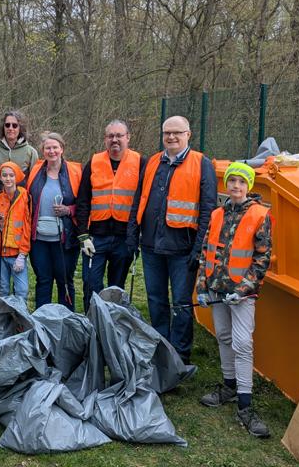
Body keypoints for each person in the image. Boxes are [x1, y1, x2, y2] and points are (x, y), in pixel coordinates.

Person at [127, 115, 217, 364]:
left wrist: (198, 248)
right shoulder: (154, 161)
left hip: (183, 248)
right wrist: (133, 233)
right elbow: (139, 198)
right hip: (151, 246)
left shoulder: (201, 163)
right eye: (167, 132)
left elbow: (208, 210)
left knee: (181, 303)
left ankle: (180, 355)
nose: (171, 137)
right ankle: (160, 347)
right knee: (156, 300)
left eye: (177, 132)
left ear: (188, 134)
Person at [196, 162, 271, 438]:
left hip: (241, 295)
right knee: (224, 337)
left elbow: (262, 258)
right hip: (217, 290)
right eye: (232, 182)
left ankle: (245, 403)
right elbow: (206, 252)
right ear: (226, 185)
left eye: (241, 182)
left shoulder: (260, 215)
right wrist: (202, 287)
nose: (236, 187)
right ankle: (228, 386)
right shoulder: (217, 214)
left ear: (249, 186)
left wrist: (242, 290)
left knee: (242, 343)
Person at [76, 120, 142, 312]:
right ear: (105, 139)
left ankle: (113, 325)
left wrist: (137, 235)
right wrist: (83, 235)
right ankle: (92, 321)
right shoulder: (95, 162)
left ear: (128, 137)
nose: (115, 140)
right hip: (96, 237)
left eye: (119, 135)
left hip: (124, 237)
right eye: (110, 136)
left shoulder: (139, 162)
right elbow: (83, 200)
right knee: (90, 282)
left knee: (117, 287)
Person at [0, 111, 38, 297]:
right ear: (3, 127)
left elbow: (35, 185)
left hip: (21, 210)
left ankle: (17, 299)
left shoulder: (30, 152)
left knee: (18, 250)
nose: (11, 128)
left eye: (15, 125)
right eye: (7, 125)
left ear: (21, 128)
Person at [26, 133, 81, 311]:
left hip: (65, 239)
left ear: (62, 149)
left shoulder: (75, 171)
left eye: (55, 147)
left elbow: (84, 203)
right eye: (48, 148)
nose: (52, 151)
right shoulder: (35, 171)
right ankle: (42, 321)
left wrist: (68, 210)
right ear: (43, 151)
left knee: (64, 280)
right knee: (43, 280)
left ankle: (66, 321)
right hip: (39, 239)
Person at [0, 162, 32, 300]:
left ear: (17, 177)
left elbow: (27, 227)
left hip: (16, 253)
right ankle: (4, 318)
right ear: (0, 178)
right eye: (4, 175)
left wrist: (23, 255)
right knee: (2, 289)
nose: (8, 179)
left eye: (11, 175)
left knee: (22, 291)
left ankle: (19, 318)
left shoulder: (25, 197)